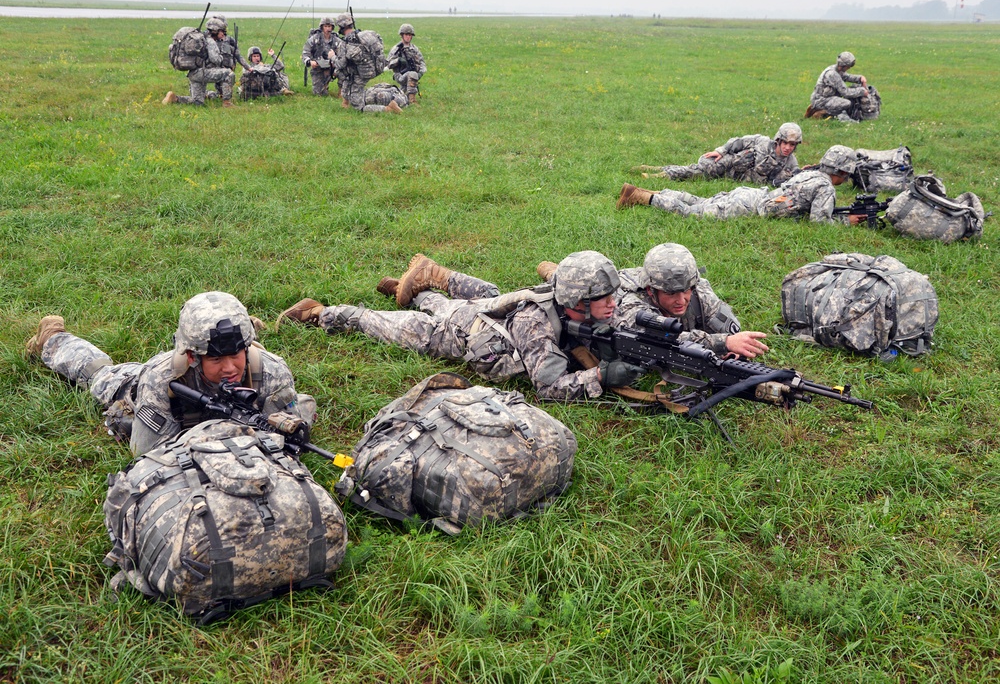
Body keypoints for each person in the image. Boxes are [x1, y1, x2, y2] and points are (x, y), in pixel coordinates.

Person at [276, 252, 644, 401]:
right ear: (577, 300)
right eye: (603, 298)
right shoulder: (536, 323)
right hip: (455, 334)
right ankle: (319, 312)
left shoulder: (589, 309)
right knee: (380, 324)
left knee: (465, 299)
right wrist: (601, 377)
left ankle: (415, 290)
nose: (613, 303)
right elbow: (548, 388)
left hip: (479, 313)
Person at [25, 291, 315, 456]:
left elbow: (286, 438)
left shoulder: (272, 373)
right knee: (101, 375)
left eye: (236, 354)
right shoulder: (162, 379)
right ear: (192, 356)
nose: (229, 368)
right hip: (136, 388)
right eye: (215, 358)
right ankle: (52, 340)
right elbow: (147, 455)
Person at [537, 244, 768, 359]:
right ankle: (553, 272)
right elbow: (659, 337)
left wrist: (734, 350)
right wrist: (721, 343)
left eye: (686, 290)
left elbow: (730, 330)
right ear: (651, 290)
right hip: (594, 292)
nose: (682, 300)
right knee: (570, 283)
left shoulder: (697, 287)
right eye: (671, 294)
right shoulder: (628, 302)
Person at [616, 145, 857, 224]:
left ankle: (657, 191)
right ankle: (642, 197)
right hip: (749, 206)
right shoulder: (825, 187)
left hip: (750, 195)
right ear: (842, 171)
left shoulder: (811, 174)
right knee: (694, 213)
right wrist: (847, 222)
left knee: (702, 201)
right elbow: (819, 222)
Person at [636, 123, 802, 186]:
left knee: (696, 172)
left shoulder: (791, 164)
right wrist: (720, 151)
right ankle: (659, 174)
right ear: (778, 141)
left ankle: (659, 170)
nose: (787, 148)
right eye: (785, 143)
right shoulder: (762, 142)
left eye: (792, 145)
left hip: (735, 179)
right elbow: (738, 142)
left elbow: (792, 181)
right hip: (729, 163)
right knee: (700, 171)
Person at [333, 14, 401, 114]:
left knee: (358, 107)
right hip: (374, 68)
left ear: (341, 27)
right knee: (347, 80)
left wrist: (332, 57)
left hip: (361, 74)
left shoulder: (346, 43)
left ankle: (388, 109)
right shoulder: (367, 34)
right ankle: (345, 103)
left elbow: (340, 64)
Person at [162, 17, 235, 107]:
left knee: (197, 102)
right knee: (228, 74)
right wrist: (222, 58)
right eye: (222, 31)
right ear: (216, 31)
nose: (223, 33)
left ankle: (175, 98)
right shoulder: (210, 41)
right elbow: (215, 59)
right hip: (202, 73)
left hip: (193, 73)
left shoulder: (201, 38)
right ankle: (227, 103)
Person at [807, 52, 870, 122]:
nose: (849, 68)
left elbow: (847, 77)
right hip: (821, 100)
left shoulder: (837, 69)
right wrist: (862, 91)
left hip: (825, 97)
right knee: (846, 103)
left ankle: (820, 109)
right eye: (849, 66)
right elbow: (845, 92)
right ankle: (822, 112)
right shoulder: (832, 74)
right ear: (844, 65)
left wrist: (860, 78)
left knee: (844, 102)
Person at [301, 16, 342, 97]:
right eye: (325, 26)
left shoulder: (337, 41)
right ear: (322, 27)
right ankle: (323, 86)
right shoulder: (314, 39)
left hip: (333, 67)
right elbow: (305, 53)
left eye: (329, 26)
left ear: (332, 27)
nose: (328, 29)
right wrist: (310, 62)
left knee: (345, 72)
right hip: (318, 68)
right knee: (319, 93)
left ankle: (342, 92)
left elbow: (343, 56)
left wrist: (336, 64)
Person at [387, 23, 426, 105]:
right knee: (412, 74)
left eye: (410, 35)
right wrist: (398, 60)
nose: (408, 37)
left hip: (411, 76)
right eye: (406, 34)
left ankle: (402, 95)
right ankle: (412, 101)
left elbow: (422, 62)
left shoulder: (414, 49)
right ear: (402, 35)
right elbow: (388, 64)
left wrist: (420, 73)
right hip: (400, 75)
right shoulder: (397, 49)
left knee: (401, 95)